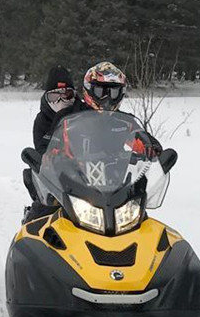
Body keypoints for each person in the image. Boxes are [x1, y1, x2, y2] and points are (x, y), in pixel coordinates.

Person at [22, 61, 162, 221]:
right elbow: (51, 147)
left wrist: (150, 147)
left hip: (116, 189)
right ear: (88, 90)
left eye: (114, 92)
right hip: (73, 185)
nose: (107, 98)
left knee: (139, 220)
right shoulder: (69, 118)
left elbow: (140, 138)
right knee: (42, 218)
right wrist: (55, 157)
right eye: (100, 91)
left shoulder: (125, 122)